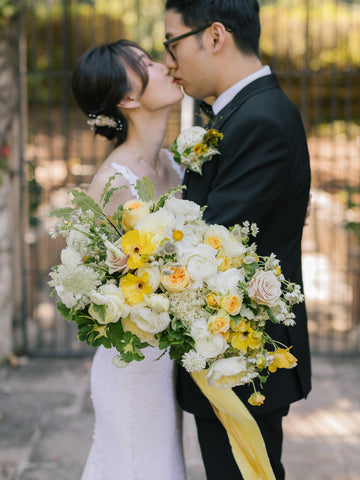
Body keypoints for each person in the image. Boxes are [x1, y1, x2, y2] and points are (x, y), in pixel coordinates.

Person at [164, 1, 312, 479]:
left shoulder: (260, 120)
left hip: (244, 359)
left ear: (214, 36)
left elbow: (210, 241)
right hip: (230, 354)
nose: (169, 60)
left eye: (172, 42)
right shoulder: (240, 113)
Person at [71, 39, 187, 480]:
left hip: (166, 360)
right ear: (128, 98)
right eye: (147, 63)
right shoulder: (116, 182)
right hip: (133, 366)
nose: (165, 64)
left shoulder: (172, 163)